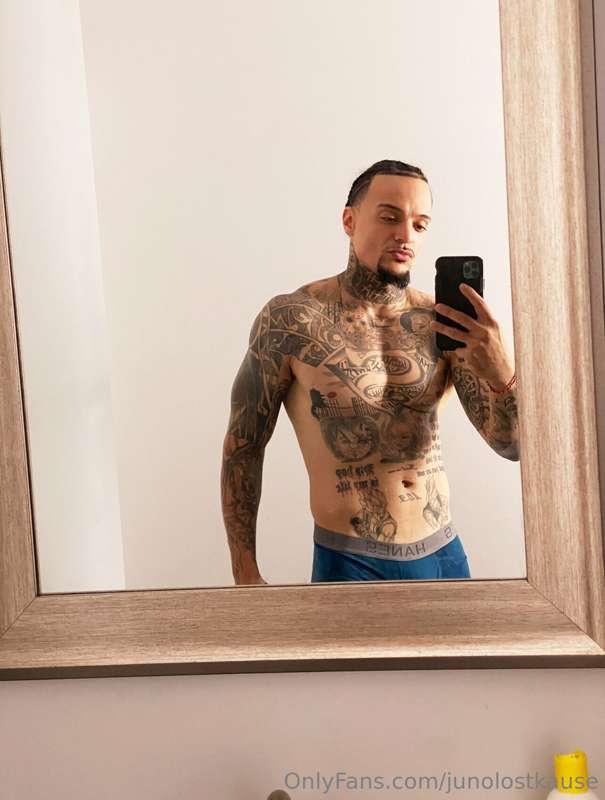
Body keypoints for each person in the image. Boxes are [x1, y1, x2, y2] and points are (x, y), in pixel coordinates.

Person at [220, 159, 518, 585]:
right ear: (349, 220)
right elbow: (244, 446)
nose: (406, 235)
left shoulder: (443, 323)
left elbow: (511, 445)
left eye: (420, 224)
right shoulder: (292, 320)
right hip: (351, 561)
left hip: (443, 553)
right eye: (390, 217)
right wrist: (244, 570)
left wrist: (501, 370)